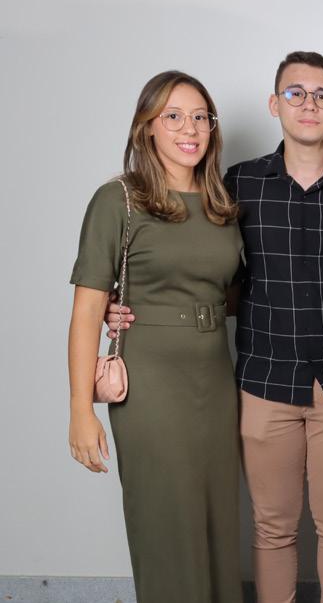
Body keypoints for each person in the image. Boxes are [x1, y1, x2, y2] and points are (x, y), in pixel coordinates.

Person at [108, 51, 323, 603]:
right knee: (272, 526)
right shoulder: (236, 185)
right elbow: (208, 274)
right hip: (263, 382)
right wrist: (135, 305)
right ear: (274, 104)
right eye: (295, 93)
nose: (309, 105)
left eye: (322, 95)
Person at [68, 70, 243, 602]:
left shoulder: (221, 204)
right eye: (173, 116)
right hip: (150, 382)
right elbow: (86, 312)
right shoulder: (117, 199)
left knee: (217, 524)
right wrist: (80, 410)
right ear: (147, 127)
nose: (189, 129)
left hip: (215, 378)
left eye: (200, 117)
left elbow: (229, 295)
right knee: (165, 523)